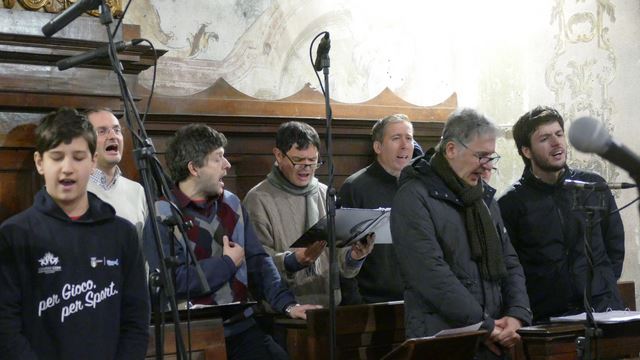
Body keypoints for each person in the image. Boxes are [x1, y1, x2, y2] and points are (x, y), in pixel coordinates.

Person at [143, 123, 319, 360]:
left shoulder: (231, 204)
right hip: (192, 334)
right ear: (194, 167)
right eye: (218, 158)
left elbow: (259, 261)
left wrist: (287, 305)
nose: (227, 165)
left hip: (242, 326)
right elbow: (171, 283)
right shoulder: (163, 215)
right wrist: (227, 264)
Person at [0, 108, 149, 359]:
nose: (67, 168)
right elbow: (6, 328)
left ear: (92, 162)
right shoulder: (14, 235)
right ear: (40, 162)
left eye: (78, 157)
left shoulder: (122, 234)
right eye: (57, 157)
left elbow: (136, 321)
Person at [391, 108, 531, 358]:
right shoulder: (414, 195)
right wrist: (483, 325)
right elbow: (429, 273)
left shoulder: (483, 197)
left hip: (493, 337)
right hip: (444, 341)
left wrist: (517, 314)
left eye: (491, 156)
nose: (488, 166)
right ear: (452, 149)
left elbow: (509, 261)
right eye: (481, 156)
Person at [498, 106, 624, 323]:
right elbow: (511, 267)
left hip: (605, 310)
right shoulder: (510, 203)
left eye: (559, 134)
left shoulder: (592, 186)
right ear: (526, 151)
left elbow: (614, 246)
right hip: (548, 318)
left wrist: (603, 285)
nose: (556, 143)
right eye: (545, 138)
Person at [243, 121, 374, 307]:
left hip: (328, 308)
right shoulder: (258, 199)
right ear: (279, 155)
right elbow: (255, 265)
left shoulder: (326, 194)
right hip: (285, 311)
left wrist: (354, 255)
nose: (306, 167)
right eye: (298, 160)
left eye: (313, 161)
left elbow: (341, 262)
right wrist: (293, 261)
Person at [338, 113, 414, 304]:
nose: (405, 145)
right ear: (378, 147)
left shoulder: (419, 185)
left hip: (416, 299)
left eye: (409, 138)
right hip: (371, 300)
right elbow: (342, 252)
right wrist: (354, 303)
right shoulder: (355, 187)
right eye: (396, 138)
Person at [86, 108, 147, 239]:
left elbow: (145, 252)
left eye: (117, 130)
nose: (113, 136)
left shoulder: (137, 191)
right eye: (102, 131)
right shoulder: (73, 190)